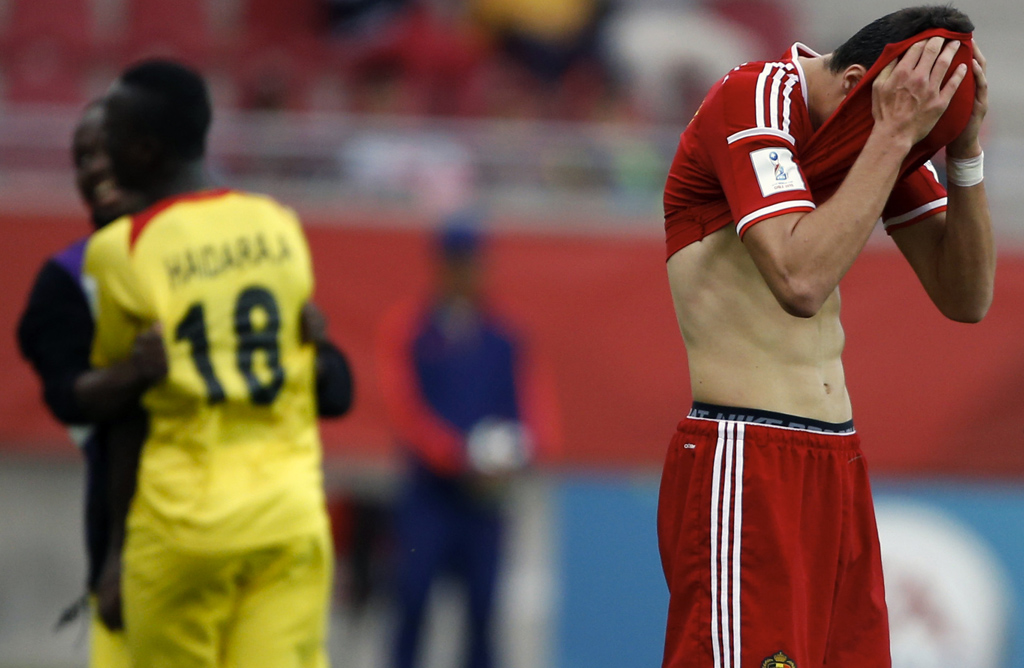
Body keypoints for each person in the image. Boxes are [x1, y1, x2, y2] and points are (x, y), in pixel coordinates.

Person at [658, 6, 994, 668]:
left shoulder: (872, 141)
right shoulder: (753, 96)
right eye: (892, 118)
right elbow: (799, 281)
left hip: (837, 464)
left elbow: (967, 298)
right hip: (746, 456)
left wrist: (965, 150)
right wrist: (893, 136)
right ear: (856, 87)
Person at [82, 59, 353, 667]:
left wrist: (115, 553)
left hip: (185, 526)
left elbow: (124, 419)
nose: (102, 151)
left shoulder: (119, 250)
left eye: (113, 137)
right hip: (287, 515)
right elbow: (318, 381)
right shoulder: (280, 226)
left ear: (145, 151)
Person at [377, 223, 559, 668]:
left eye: (474, 263)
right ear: (441, 267)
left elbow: (532, 404)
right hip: (428, 496)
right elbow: (404, 408)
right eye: (458, 263)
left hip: (486, 500)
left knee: (482, 612)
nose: (467, 273)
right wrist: (457, 455)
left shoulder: (506, 332)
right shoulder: (411, 329)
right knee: (413, 600)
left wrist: (524, 449)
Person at [16, 100, 150, 668]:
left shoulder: (208, 249)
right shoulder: (65, 282)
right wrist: (135, 372)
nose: (94, 168)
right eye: (81, 158)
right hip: (133, 536)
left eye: (107, 151)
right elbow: (71, 400)